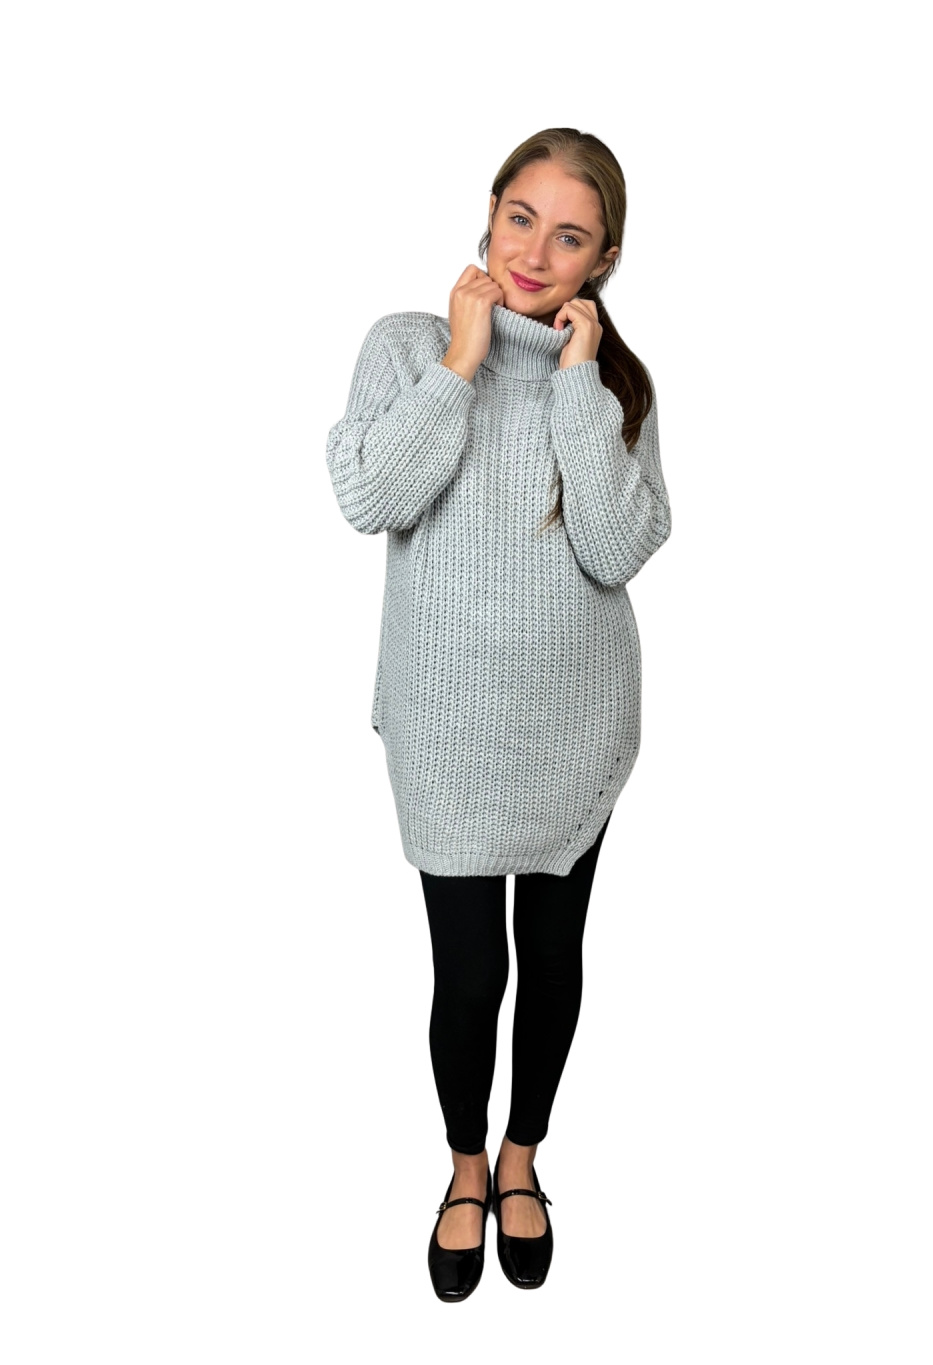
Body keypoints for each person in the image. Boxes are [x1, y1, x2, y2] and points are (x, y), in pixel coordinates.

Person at [324, 128, 672, 1300]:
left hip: (577, 717)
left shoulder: (615, 386)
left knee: (554, 956)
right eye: (521, 217)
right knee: (470, 974)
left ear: (601, 260)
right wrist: (462, 363)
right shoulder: (407, 344)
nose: (534, 251)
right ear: (489, 209)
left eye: (569, 236)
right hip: (445, 726)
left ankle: (524, 1159)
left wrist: (574, 380)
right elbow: (371, 496)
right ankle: (465, 1167)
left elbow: (615, 547)